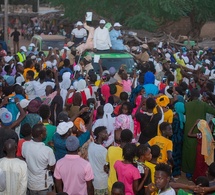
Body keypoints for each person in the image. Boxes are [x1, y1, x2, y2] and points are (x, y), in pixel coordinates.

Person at [182, 88, 215, 180]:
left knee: (188, 152)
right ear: (199, 96)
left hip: (188, 132)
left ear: (191, 96)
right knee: (199, 155)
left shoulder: (187, 105)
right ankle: (197, 173)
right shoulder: (204, 105)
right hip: (201, 133)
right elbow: (213, 111)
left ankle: (188, 172)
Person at [22, 124, 56, 194]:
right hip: (43, 185)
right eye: (45, 131)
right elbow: (52, 167)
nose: (46, 132)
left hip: (31, 184)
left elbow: (25, 158)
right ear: (41, 135)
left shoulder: (25, 145)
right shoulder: (47, 150)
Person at [88, 126, 109, 195]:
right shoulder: (104, 151)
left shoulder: (90, 145)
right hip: (102, 182)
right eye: (105, 132)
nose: (107, 134)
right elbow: (106, 168)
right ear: (99, 134)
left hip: (93, 181)